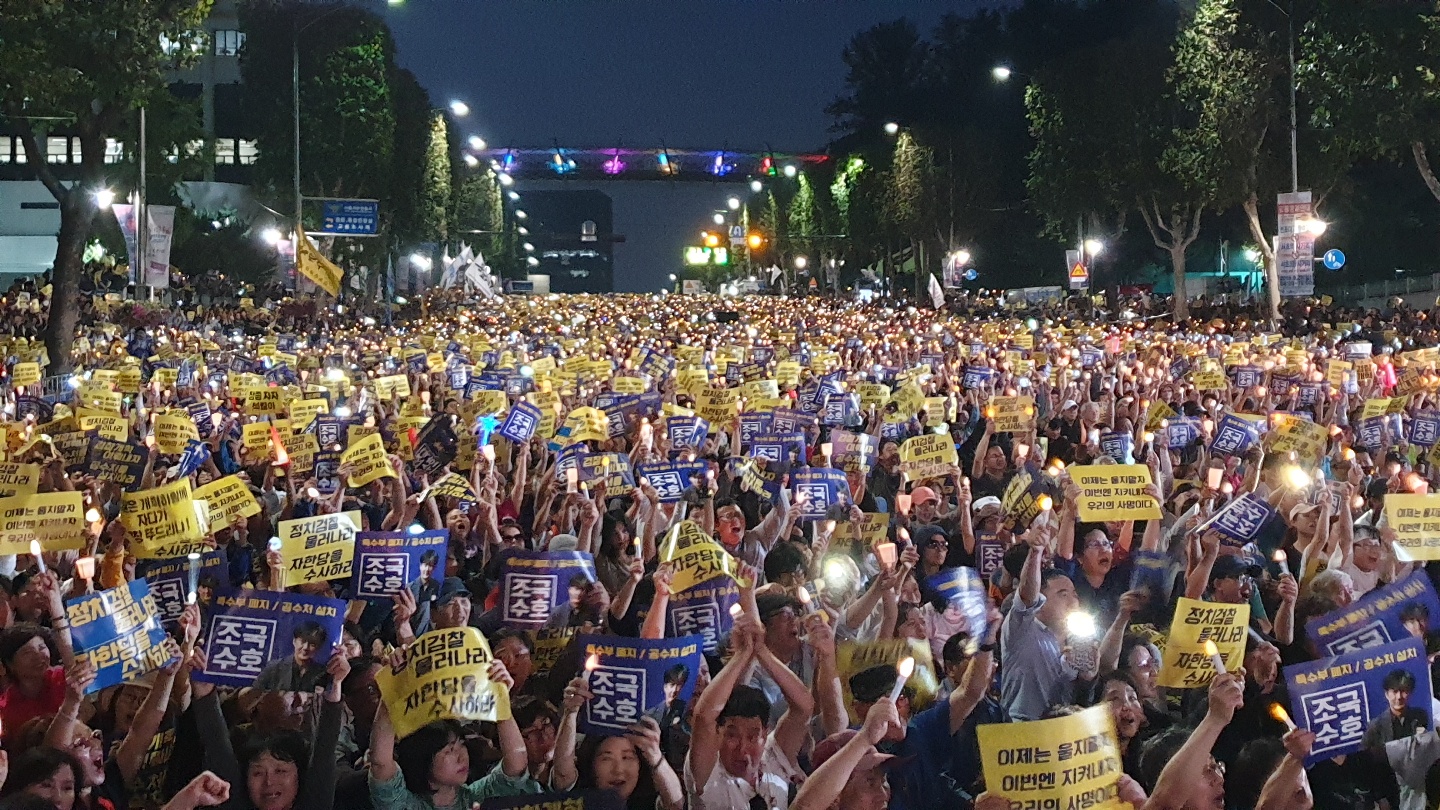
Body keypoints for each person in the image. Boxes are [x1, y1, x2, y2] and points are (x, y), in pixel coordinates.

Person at [367, 657, 541, 808]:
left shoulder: (476, 797)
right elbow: (380, 762)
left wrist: (501, 699)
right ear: (422, 758)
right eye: (449, 750)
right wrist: (392, 689)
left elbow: (516, 765)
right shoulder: (405, 805)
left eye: (461, 745)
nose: (461, 756)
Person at [252, 622, 331, 693]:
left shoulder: (322, 673)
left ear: (319, 647)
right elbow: (254, 694)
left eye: (312, 644)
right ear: (294, 641)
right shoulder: (274, 668)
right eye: (302, 641)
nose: (305, 647)